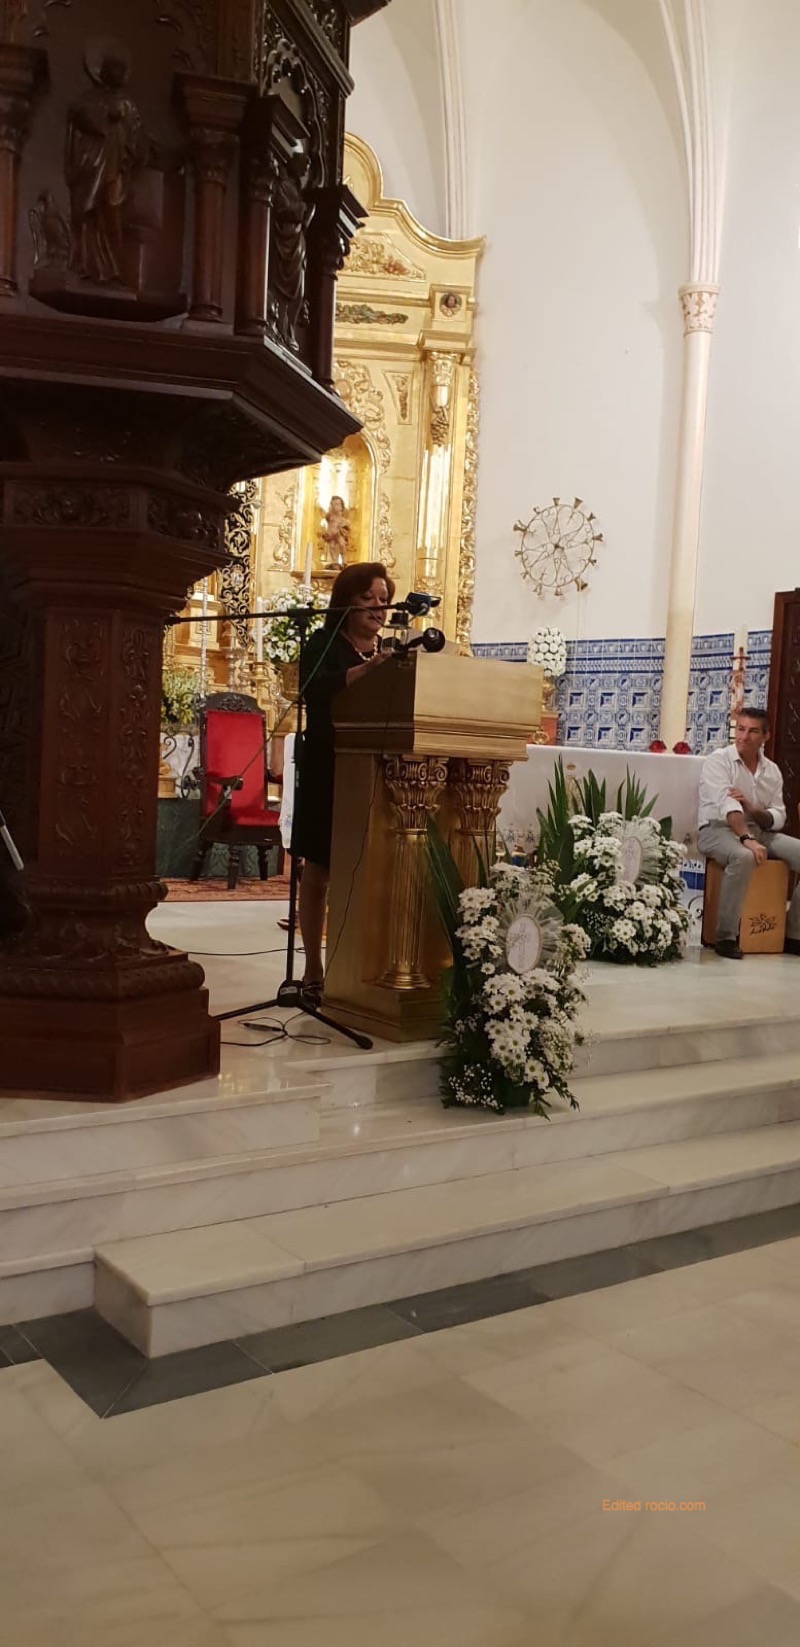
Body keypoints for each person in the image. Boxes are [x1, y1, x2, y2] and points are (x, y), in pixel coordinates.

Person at [292, 562, 395, 1001]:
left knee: (365, 868)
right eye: (368, 598)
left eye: (384, 599)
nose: (378, 607)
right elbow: (314, 690)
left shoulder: (391, 650)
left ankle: (354, 964)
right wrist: (365, 671)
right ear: (346, 602)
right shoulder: (324, 644)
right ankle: (313, 967)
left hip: (374, 768)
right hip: (327, 765)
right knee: (320, 869)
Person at [697, 706, 800, 959]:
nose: (744, 736)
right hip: (716, 828)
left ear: (766, 736)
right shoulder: (718, 761)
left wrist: (753, 809)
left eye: (753, 731)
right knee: (743, 856)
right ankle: (725, 937)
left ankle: (793, 935)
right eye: (741, 729)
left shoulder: (772, 770)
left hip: (757, 829)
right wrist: (747, 839)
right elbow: (728, 806)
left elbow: (778, 816)